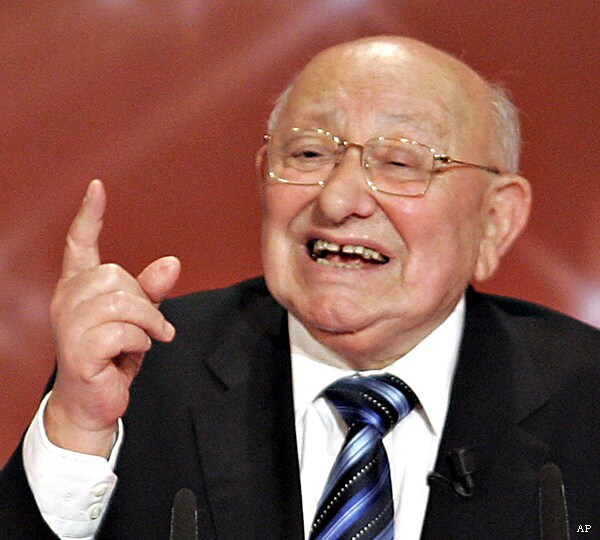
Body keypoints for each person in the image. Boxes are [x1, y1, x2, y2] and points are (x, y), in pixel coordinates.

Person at [0, 35, 598, 540]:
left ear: (495, 221)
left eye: (400, 163)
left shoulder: (587, 398)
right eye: (309, 153)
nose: (337, 200)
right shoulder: (144, 373)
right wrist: (77, 432)